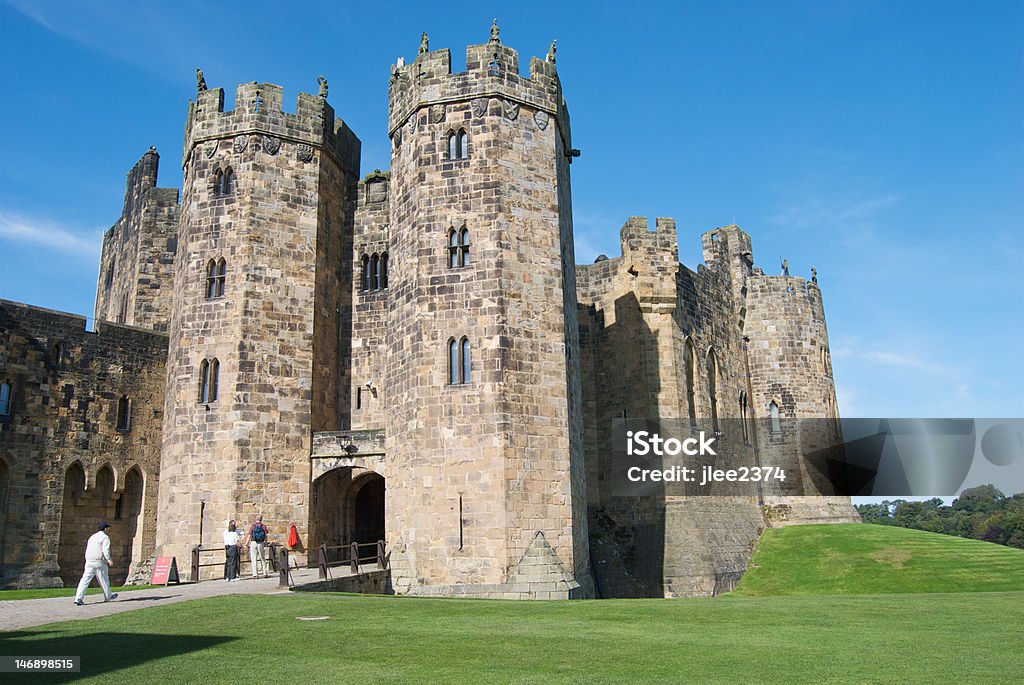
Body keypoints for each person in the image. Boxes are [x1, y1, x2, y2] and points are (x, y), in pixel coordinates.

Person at [73, 521, 118, 605]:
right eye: (108, 528)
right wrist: (109, 560)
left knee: (85, 580)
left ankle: (78, 598)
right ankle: (108, 596)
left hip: (89, 561)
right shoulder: (105, 537)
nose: (108, 529)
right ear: (105, 528)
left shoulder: (92, 537)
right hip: (99, 561)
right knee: (104, 579)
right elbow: (105, 550)